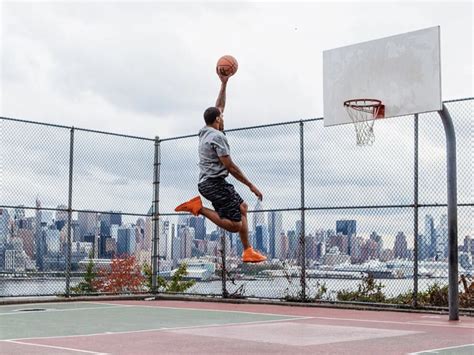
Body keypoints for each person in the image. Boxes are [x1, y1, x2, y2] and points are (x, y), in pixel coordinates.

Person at [175, 68, 267, 263]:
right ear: (217, 120)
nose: (222, 117)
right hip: (213, 184)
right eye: (221, 116)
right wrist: (251, 185)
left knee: (242, 207)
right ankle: (198, 208)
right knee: (234, 225)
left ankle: (248, 251)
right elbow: (231, 167)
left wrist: (224, 83)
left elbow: (219, 107)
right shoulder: (217, 137)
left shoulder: (205, 131)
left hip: (211, 182)